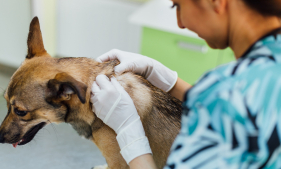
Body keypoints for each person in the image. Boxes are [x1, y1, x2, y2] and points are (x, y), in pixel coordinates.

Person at [90, 0, 281, 168]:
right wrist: (169, 81)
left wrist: (129, 132)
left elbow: (228, 102)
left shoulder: (226, 93)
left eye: (178, 6)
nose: (181, 23)